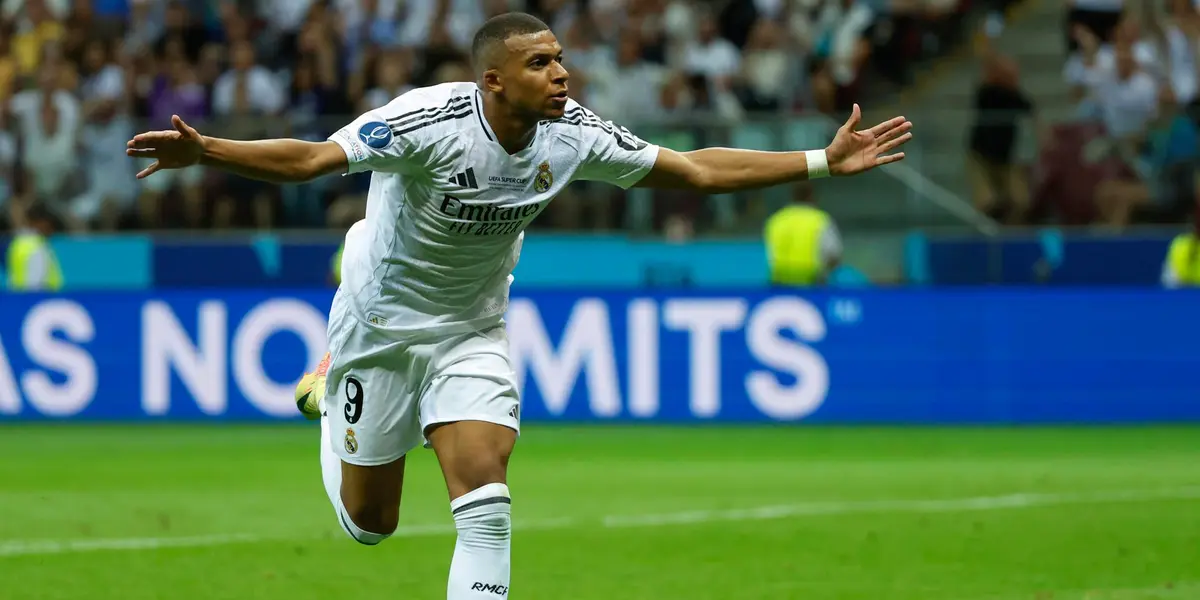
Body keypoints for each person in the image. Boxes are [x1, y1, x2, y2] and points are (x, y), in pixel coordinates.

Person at [125, 12, 912, 599]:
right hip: (377, 327)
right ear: (493, 80)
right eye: (541, 64)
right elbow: (313, 158)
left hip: (471, 330)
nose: (562, 75)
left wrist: (819, 160)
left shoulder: (572, 134)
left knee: (486, 492)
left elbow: (696, 169)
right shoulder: (427, 121)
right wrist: (211, 150)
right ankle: (331, 398)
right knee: (371, 525)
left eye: (561, 59)